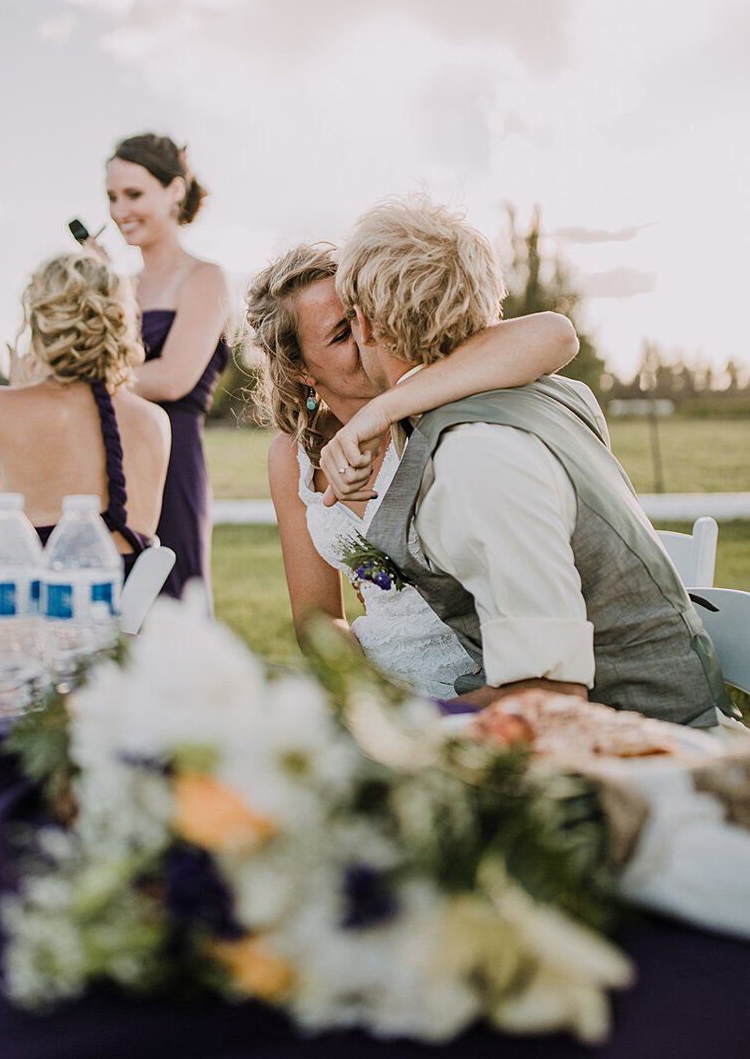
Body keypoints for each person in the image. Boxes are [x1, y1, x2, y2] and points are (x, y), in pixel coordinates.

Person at [329, 195, 729, 727]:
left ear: (366, 324)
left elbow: (549, 698)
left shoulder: (474, 458)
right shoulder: (560, 394)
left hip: (652, 749)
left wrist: (395, 727)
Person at [244, 243, 581, 697]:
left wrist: (385, 409)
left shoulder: (442, 389)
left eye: (363, 316)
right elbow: (317, 617)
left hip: (490, 679)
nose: (368, 337)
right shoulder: (291, 457)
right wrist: (372, 696)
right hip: (378, 679)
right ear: (302, 369)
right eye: (342, 334)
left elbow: (556, 333)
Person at [0, 252, 171, 574]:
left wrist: (20, 393)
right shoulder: (155, 420)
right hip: (122, 616)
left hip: (31, 608)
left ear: (39, 321)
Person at [105, 133, 230, 607]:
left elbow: (175, 377)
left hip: (173, 460)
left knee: (173, 602)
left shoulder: (204, 278)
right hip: (107, 457)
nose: (120, 211)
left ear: (175, 190)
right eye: (112, 197)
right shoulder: (117, 285)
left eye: (134, 194)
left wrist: (82, 376)